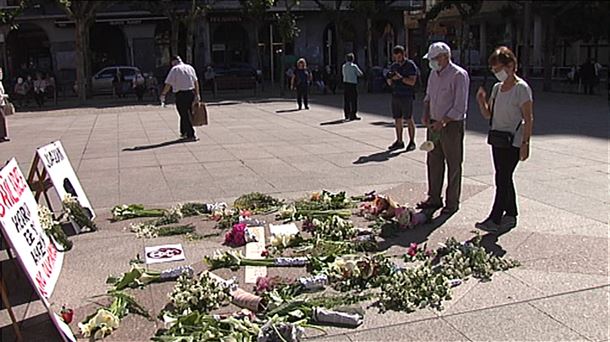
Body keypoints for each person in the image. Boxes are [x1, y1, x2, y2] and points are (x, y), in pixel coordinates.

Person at [475, 46, 533, 232]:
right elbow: (488, 114)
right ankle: (511, 212)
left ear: (510, 66)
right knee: (504, 177)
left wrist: (525, 143)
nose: (496, 72)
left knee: (503, 177)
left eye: (498, 68)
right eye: (493, 69)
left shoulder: (521, 89)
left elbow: (528, 117)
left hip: (514, 141)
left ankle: (495, 217)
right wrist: (481, 102)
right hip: (498, 139)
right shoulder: (497, 88)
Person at [418, 41, 470, 215]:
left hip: (451, 125)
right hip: (433, 123)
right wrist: (426, 113)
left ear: (445, 57)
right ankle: (434, 197)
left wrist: (443, 121)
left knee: (453, 163)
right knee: (433, 161)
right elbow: (428, 96)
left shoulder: (458, 75)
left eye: (434, 59)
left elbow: (459, 106)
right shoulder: (433, 74)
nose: (432, 62)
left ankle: (452, 202)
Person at [160, 55, 201, 141]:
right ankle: (184, 131)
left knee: (184, 114)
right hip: (191, 92)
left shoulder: (174, 69)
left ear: (173, 62)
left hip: (181, 94)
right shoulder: (190, 67)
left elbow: (168, 84)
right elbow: (196, 81)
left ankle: (191, 134)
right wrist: (197, 94)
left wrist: (163, 94)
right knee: (188, 112)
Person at [386, 45, 419, 151]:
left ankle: (412, 141)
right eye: (395, 57)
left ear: (404, 54)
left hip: (406, 95)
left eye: (399, 57)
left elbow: (412, 82)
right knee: (397, 119)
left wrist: (400, 78)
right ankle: (399, 141)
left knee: (408, 119)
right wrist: (390, 79)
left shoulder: (410, 65)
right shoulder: (394, 66)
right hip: (396, 95)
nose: (397, 60)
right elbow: (390, 82)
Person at [342, 53, 363, 121]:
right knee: (353, 100)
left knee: (346, 100)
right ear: (353, 59)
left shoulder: (344, 66)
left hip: (346, 84)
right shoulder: (354, 66)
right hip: (353, 84)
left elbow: (343, 74)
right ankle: (353, 114)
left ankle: (346, 114)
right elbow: (360, 73)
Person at [0, 67, 9, 142]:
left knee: (2, 119)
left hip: (1, 103)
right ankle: (2, 135)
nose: (1, 74)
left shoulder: (0, 82)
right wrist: (4, 96)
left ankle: (3, 135)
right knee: (2, 118)